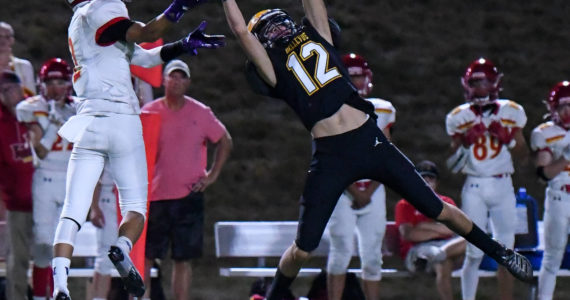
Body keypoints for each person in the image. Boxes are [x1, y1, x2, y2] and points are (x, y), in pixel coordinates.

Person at [221, 2, 532, 299]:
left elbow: (313, 4)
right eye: (269, 28)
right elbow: (239, 30)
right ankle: (273, 295)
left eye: (278, 22)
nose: (277, 29)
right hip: (331, 156)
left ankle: (500, 252)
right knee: (303, 248)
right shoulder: (272, 67)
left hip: (369, 141)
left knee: (436, 208)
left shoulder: (317, 35)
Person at [52, 0, 225, 299]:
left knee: (71, 211)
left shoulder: (81, 23)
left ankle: (60, 286)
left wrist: (181, 45)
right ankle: (121, 248)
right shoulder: (103, 8)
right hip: (121, 120)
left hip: (90, 121)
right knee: (135, 208)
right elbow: (146, 33)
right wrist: (179, 7)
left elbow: (144, 57)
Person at [141, 59, 233, 300]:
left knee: (183, 259)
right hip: (155, 196)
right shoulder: (149, 113)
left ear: (188, 82)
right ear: (164, 80)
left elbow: (225, 141)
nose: (177, 81)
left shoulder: (200, 113)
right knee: (145, 257)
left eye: (182, 77)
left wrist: (212, 175)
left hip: (188, 196)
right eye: (172, 76)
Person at [445, 58, 529, 300]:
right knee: (473, 252)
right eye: (475, 83)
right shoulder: (458, 117)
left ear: (494, 84)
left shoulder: (512, 111)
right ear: (466, 85)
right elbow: (450, 164)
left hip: (503, 184)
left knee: (507, 252)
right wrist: (463, 144)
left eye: (484, 82)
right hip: (474, 185)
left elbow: (523, 157)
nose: (480, 88)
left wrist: (509, 139)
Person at [325, 53, 395, 300]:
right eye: (350, 76)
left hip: (374, 190)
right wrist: (355, 190)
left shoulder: (383, 109)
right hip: (343, 190)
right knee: (340, 253)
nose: (356, 81)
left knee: (372, 256)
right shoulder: (328, 107)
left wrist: (369, 190)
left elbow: (387, 156)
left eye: (359, 76)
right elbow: (329, 157)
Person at [16, 58, 76, 300]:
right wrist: (53, 120)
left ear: (69, 84)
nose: (55, 88)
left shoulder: (79, 107)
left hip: (72, 179)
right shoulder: (30, 107)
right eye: (50, 82)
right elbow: (39, 150)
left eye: (60, 82)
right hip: (44, 179)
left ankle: (59, 294)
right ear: (41, 83)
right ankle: (40, 296)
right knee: (42, 243)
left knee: (62, 246)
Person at [395, 160, 466, 300]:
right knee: (443, 262)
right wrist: (439, 229)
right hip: (417, 251)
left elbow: (451, 231)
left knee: (470, 240)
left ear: (437, 182)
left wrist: (423, 226)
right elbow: (409, 234)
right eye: (423, 177)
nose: (427, 181)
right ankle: (439, 255)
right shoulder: (405, 204)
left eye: (431, 178)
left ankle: (438, 255)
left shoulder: (447, 202)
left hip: (445, 246)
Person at [531, 81, 570, 300]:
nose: (567, 111)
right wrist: (565, 157)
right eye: (562, 106)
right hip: (560, 197)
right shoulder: (544, 132)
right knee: (553, 257)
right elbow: (544, 174)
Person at [0, 71, 34, 300]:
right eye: (3, 90)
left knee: (49, 258)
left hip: (46, 199)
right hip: (16, 203)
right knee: (17, 262)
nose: (9, 93)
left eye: (12, 87)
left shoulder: (35, 113)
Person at [0, 22, 36, 96]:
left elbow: (31, 98)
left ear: (12, 40)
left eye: (7, 37)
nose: (2, 40)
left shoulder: (24, 66)